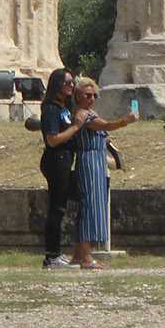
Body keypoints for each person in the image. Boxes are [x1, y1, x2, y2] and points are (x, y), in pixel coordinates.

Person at [68, 75, 138, 270]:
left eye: (94, 95)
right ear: (78, 96)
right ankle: (86, 256)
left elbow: (104, 132)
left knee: (92, 207)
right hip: (89, 161)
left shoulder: (89, 113)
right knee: (90, 207)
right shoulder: (84, 115)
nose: (91, 99)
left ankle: (79, 255)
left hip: (97, 161)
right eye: (87, 95)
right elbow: (106, 126)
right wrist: (125, 121)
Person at [37, 68, 81, 269]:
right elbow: (52, 140)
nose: (71, 86)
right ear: (57, 85)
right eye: (68, 83)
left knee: (64, 205)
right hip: (56, 159)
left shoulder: (65, 108)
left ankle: (61, 251)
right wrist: (75, 128)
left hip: (65, 159)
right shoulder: (51, 110)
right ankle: (52, 255)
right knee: (57, 208)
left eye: (72, 83)